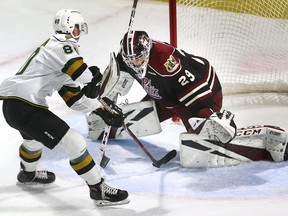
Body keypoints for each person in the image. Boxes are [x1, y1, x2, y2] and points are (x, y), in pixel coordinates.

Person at [0, 9, 129, 206]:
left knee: (33, 141)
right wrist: (95, 80)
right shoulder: (61, 46)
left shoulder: (57, 56)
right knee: (75, 143)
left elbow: (74, 98)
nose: (79, 33)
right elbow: (84, 75)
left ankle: (28, 174)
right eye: (77, 28)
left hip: (15, 106)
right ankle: (98, 188)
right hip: (25, 107)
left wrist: (101, 109)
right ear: (70, 27)